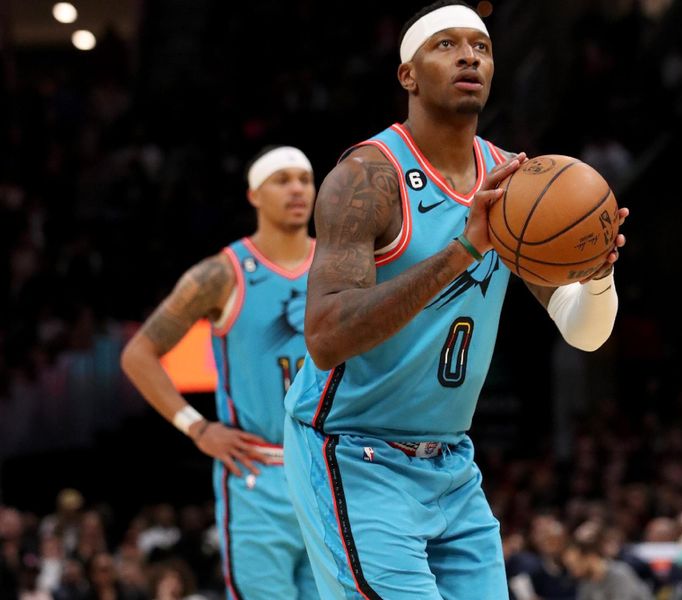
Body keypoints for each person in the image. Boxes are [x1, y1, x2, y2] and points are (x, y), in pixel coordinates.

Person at [283, 2, 627, 598]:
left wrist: (597, 274)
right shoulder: (368, 177)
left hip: (451, 462)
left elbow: (583, 331)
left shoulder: (512, 181)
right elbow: (325, 336)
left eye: (482, 46)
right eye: (446, 44)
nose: (470, 55)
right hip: (352, 450)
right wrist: (463, 249)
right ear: (407, 76)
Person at [120, 145, 319, 599]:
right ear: (254, 194)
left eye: (305, 179)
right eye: (282, 179)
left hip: (329, 471)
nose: (297, 189)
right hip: (258, 475)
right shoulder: (222, 274)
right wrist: (197, 427)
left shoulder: (338, 267)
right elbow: (138, 353)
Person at [562, 524, 653, 600]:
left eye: (574, 564)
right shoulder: (586, 583)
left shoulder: (620, 573)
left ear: (590, 557)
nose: (572, 570)